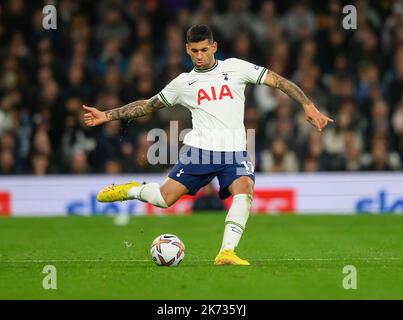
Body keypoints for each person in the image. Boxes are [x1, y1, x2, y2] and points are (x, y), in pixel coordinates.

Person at [82, 25, 333, 265]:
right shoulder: (183, 83)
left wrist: (307, 105)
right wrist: (108, 115)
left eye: (204, 50)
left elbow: (278, 81)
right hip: (200, 152)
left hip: (234, 151)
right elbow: (147, 105)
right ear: (187, 50)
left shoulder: (236, 68)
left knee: (244, 191)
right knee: (163, 199)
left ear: (214, 46)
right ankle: (132, 190)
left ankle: (226, 252)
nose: (199, 56)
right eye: (194, 51)